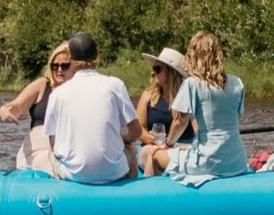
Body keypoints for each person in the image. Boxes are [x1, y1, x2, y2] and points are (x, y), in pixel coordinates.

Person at [41, 32, 138, 184]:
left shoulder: (57, 94)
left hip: (74, 175)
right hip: (114, 172)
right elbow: (136, 132)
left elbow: (53, 144)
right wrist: (125, 138)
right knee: (131, 149)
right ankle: (130, 196)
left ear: (71, 60)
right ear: (97, 56)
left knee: (51, 154)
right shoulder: (115, 85)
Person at [166, 31, 249, 180]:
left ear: (194, 56)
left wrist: (168, 143)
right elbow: (235, 118)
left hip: (208, 162)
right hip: (238, 162)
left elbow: (180, 121)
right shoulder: (237, 83)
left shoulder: (192, 83)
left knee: (151, 155)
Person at [0, 42, 73, 172]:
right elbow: (16, 106)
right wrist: (5, 110)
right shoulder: (42, 85)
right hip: (36, 152)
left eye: (65, 66)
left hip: (65, 152)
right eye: (55, 66)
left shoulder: (80, 91)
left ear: (75, 67)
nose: (59, 70)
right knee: (45, 162)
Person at [134, 47, 189, 176]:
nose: (153, 73)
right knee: (152, 152)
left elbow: (198, 129)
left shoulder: (187, 97)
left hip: (180, 147)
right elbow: (139, 128)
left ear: (172, 72)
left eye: (157, 69)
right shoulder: (147, 95)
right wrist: (151, 139)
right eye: (153, 69)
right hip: (152, 147)